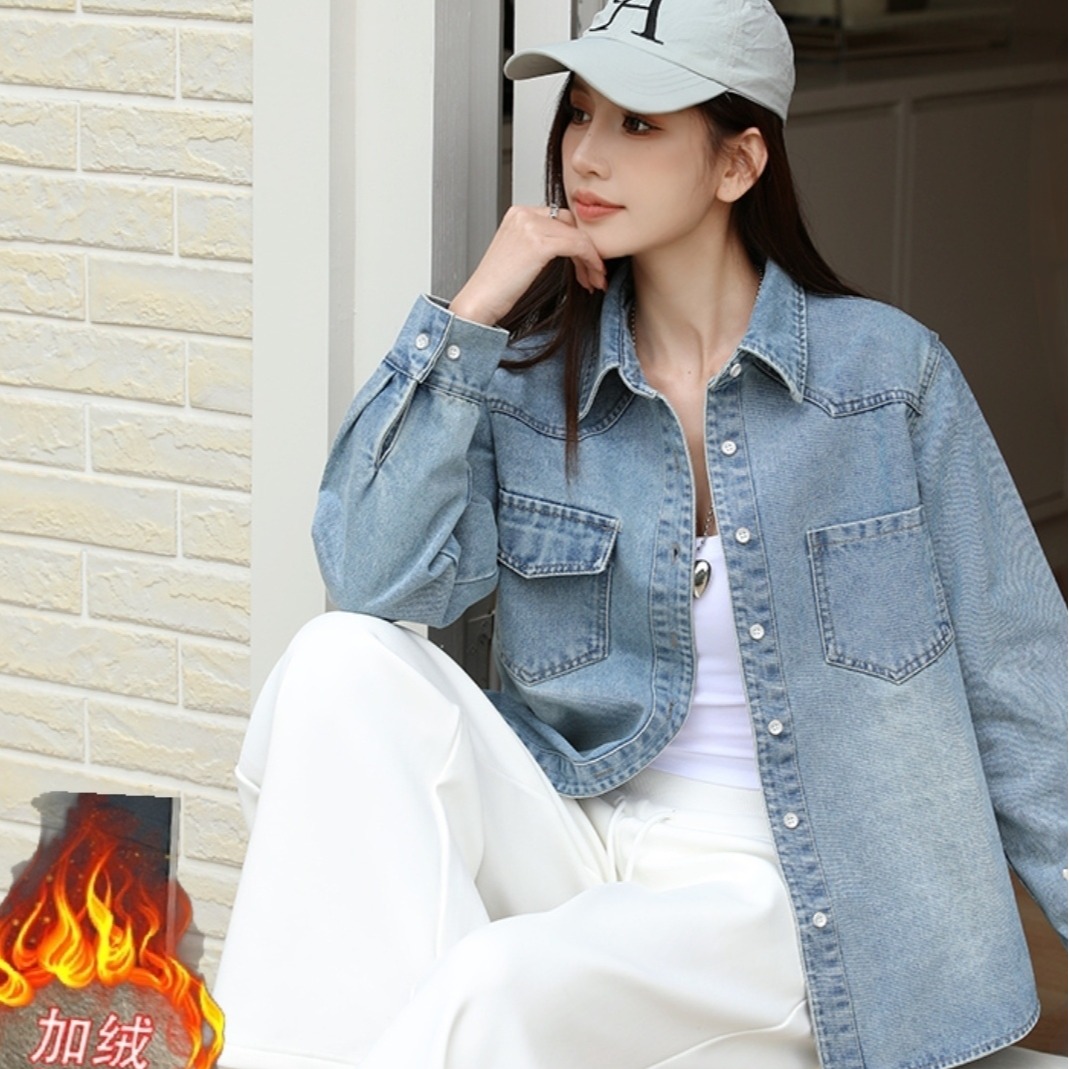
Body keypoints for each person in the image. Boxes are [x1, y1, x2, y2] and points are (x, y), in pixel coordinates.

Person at [212, 2, 1067, 1067]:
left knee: (496, 981)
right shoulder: (530, 383)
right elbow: (372, 578)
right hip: (580, 838)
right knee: (336, 660)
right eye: (579, 114)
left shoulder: (885, 378)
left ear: (737, 162)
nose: (585, 155)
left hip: (790, 892)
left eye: (639, 123)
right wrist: (471, 314)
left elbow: (1026, 684)